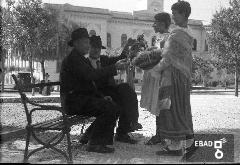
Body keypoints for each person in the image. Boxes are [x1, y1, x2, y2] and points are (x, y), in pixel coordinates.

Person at [60, 28, 129, 153]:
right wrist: (114, 67)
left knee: (113, 105)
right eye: (85, 43)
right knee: (109, 108)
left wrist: (101, 97)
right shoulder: (73, 59)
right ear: (75, 43)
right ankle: (95, 143)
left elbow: (89, 84)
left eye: (88, 42)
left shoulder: (80, 58)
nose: (88, 46)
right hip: (73, 101)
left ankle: (91, 136)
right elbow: (91, 75)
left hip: (80, 99)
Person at [148, 1, 196, 157]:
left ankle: (175, 148)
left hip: (172, 77)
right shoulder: (189, 33)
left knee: (170, 109)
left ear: (183, 14)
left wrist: (155, 69)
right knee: (183, 109)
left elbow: (167, 57)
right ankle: (189, 143)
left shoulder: (176, 35)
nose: (173, 17)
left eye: (175, 13)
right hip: (183, 77)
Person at [79, 35, 142, 145]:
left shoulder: (105, 59)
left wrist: (127, 45)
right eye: (93, 47)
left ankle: (128, 126)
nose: (96, 50)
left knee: (127, 91)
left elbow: (120, 58)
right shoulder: (84, 63)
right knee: (115, 105)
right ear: (89, 48)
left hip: (109, 90)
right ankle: (90, 133)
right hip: (94, 93)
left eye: (98, 47)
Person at [140, 12, 171, 145]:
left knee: (164, 107)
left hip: (165, 78)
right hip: (160, 77)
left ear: (163, 23)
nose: (153, 25)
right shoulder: (160, 38)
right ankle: (161, 134)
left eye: (155, 22)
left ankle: (163, 136)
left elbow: (164, 59)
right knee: (160, 106)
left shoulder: (167, 39)